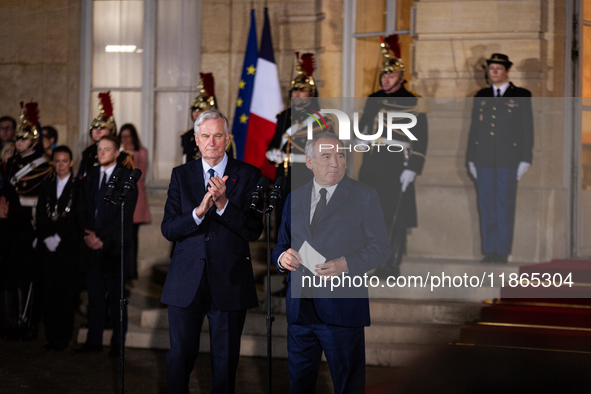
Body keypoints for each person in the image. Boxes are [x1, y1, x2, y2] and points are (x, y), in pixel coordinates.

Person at [272, 132, 391, 394]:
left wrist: (345, 264)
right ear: (310, 162)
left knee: (348, 387)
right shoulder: (295, 198)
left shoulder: (364, 196)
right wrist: (282, 257)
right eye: (326, 156)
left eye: (340, 155)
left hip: (342, 311)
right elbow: (280, 244)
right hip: (300, 311)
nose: (335, 163)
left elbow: (382, 249)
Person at [161, 109, 263, 394]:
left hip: (229, 282)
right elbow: (168, 228)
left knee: (225, 363)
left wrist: (223, 205)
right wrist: (198, 212)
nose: (212, 142)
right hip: (186, 283)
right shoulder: (180, 176)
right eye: (205, 136)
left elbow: (255, 230)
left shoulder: (249, 175)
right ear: (196, 139)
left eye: (218, 136)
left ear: (227, 138)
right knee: (179, 358)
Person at [357, 35, 429, 278]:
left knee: (396, 216)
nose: (385, 80)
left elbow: (421, 137)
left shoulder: (414, 102)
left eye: (390, 76)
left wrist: (414, 167)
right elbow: (365, 126)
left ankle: (392, 265)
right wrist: (360, 138)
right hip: (374, 161)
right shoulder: (373, 99)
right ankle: (374, 260)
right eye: (383, 76)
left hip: (398, 164)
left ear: (400, 77)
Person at [466, 53, 533, 264]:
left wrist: (525, 158)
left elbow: (527, 129)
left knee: (504, 203)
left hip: (508, 159)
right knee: (486, 204)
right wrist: (471, 158)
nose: (493, 72)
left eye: (498, 68)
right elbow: (474, 129)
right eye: (491, 68)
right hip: (484, 158)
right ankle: (490, 250)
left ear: (506, 71)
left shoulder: (521, 95)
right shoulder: (482, 95)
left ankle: (502, 251)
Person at [75, 134, 137, 357]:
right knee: (94, 298)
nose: (101, 153)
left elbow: (122, 215)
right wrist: (87, 236)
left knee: (116, 299)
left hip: (113, 248)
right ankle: (93, 341)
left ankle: (118, 344)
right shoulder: (90, 176)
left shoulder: (126, 179)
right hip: (91, 246)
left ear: (117, 153)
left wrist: (99, 236)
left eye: (106, 149)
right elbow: (81, 208)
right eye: (99, 149)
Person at [35, 146, 79, 351]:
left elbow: (76, 218)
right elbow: (41, 215)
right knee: (48, 293)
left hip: (67, 248)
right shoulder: (46, 185)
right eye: (57, 161)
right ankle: (51, 336)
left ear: (71, 162)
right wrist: (45, 237)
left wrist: (59, 236)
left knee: (65, 294)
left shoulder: (78, 186)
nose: (60, 165)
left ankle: (63, 337)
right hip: (47, 248)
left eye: (64, 161)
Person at [119, 123, 151, 279]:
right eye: (122, 137)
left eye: (127, 136)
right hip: (121, 196)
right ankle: (122, 269)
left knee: (132, 236)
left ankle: (131, 271)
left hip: (136, 197)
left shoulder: (141, 152)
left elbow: (141, 174)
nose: (124, 139)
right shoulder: (118, 151)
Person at [77, 92, 133, 180]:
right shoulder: (88, 152)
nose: (97, 131)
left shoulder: (124, 155)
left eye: (102, 128)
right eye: (95, 127)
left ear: (111, 130)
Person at [181, 73, 235, 164]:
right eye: (194, 110)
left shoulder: (224, 136)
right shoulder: (188, 136)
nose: (196, 113)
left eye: (200, 110)